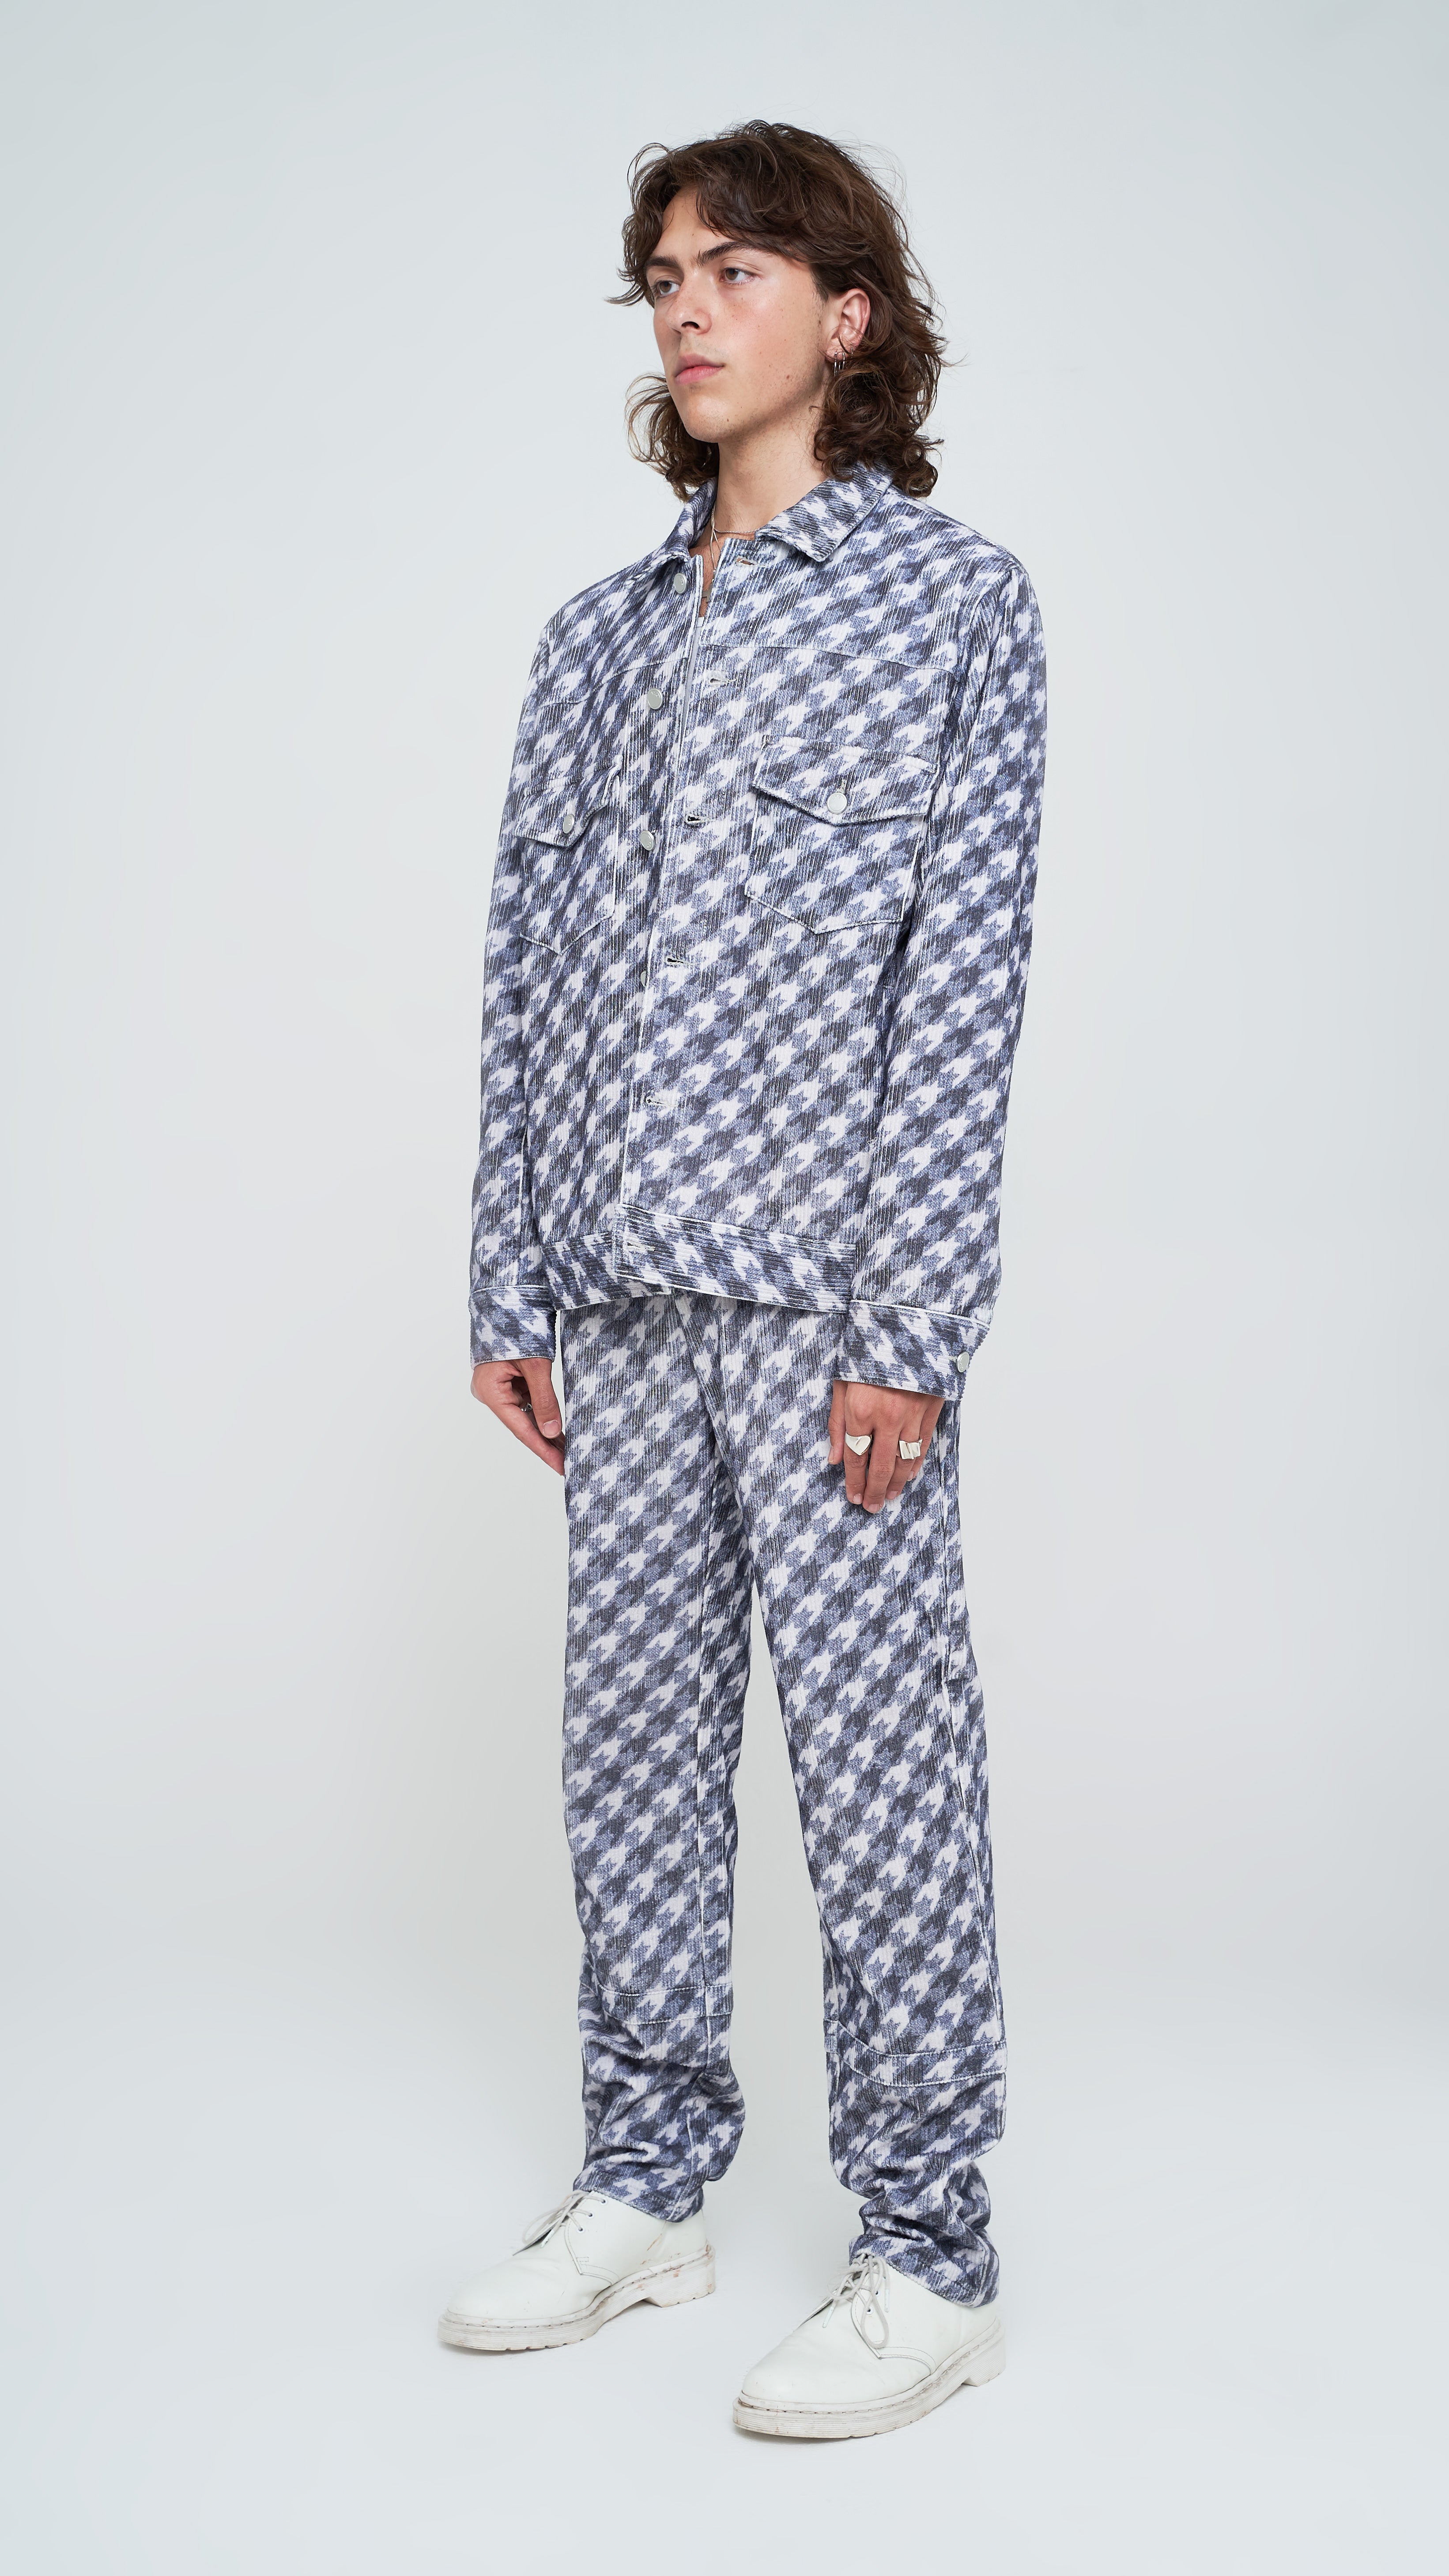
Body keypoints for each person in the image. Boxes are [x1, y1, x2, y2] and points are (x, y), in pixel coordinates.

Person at [439, 119, 1046, 2442]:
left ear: (847, 314)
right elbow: (522, 975)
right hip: (610, 1304)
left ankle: (930, 2251)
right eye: (665, 278)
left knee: (881, 1777)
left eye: (740, 269)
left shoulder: (954, 607)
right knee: (628, 1764)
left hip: (823, 1319)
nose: (689, 309)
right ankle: (647, 2182)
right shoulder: (590, 645)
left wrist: (910, 1333)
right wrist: (506, 1277)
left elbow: (962, 994)